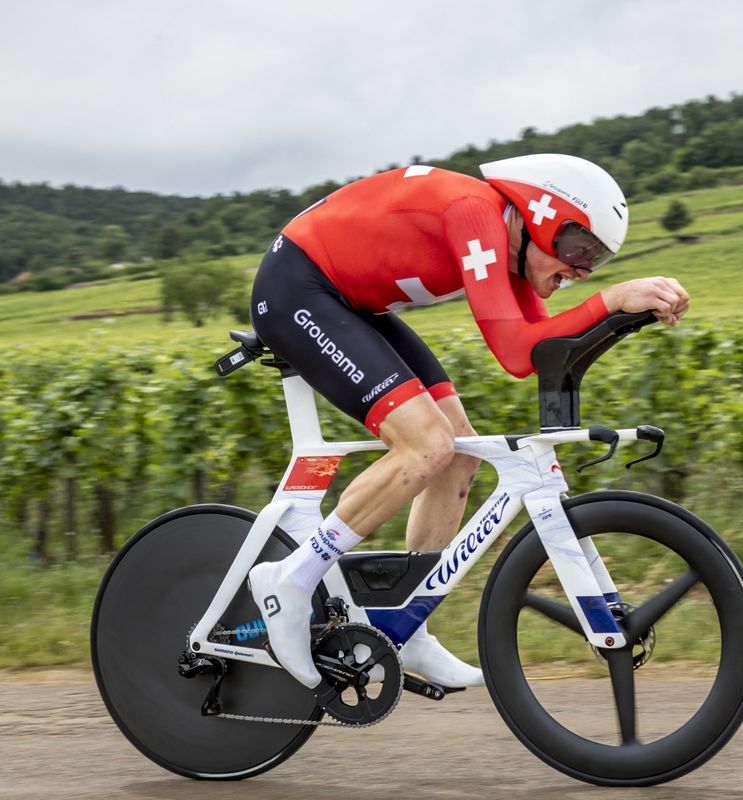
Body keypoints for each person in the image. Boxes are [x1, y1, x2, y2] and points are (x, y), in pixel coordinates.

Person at [245, 154, 690, 690]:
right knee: (426, 446)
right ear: (539, 217)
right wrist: (612, 298)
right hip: (299, 288)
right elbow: (516, 351)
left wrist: (623, 315)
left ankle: (405, 626)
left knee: (457, 457)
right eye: (578, 248)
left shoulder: (514, 248)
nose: (580, 269)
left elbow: (543, 349)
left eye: (595, 259)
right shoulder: (474, 214)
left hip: (351, 302)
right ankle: (290, 582)